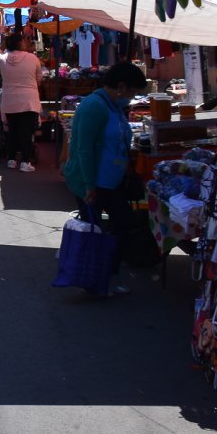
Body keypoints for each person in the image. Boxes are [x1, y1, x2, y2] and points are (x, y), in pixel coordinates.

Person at [62, 62, 149, 294]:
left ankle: (106, 275)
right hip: (93, 182)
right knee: (96, 231)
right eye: (132, 93)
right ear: (121, 87)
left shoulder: (114, 107)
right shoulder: (94, 106)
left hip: (112, 180)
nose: (132, 98)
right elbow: (84, 149)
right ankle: (94, 279)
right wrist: (90, 186)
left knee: (121, 225)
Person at [0, 33, 43, 172]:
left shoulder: (2, 58)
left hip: (10, 100)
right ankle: (25, 162)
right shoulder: (33, 58)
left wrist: (2, 46)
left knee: (12, 131)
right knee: (26, 132)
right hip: (29, 100)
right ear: (20, 43)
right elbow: (39, 78)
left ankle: (11, 160)